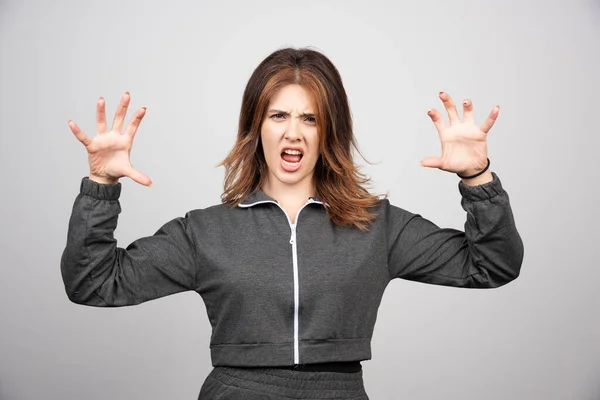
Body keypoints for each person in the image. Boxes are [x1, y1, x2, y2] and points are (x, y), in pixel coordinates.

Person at [61, 47, 524, 400]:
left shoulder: (377, 226)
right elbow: (94, 282)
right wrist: (101, 184)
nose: (293, 131)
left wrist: (477, 177)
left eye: (310, 118)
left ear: (330, 131)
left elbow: (492, 266)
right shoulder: (203, 232)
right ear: (255, 126)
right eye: (278, 115)